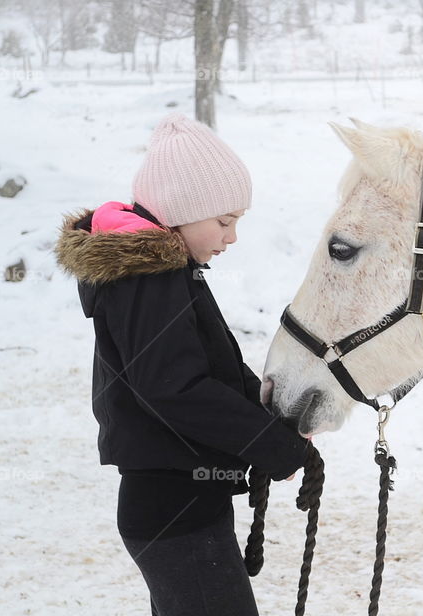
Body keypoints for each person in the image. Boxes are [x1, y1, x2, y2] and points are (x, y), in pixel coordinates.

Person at [55, 113, 309, 615]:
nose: (232, 237)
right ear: (180, 210)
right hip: (176, 509)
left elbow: (208, 370)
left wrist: (275, 413)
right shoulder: (150, 276)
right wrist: (273, 444)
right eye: (224, 221)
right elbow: (172, 388)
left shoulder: (163, 271)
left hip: (183, 503)